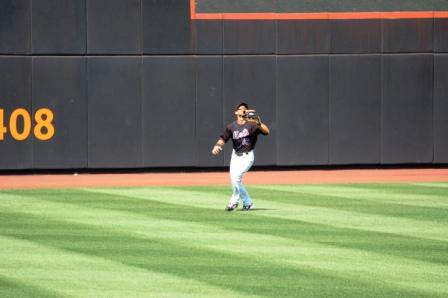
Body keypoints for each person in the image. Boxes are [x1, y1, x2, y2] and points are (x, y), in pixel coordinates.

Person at [212, 102, 270, 211]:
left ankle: (233, 202)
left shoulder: (252, 125)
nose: (243, 110)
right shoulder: (231, 126)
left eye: (245, 109)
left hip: (247, 156)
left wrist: (259, 122)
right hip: (235, 156)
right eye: (240, 109)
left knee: (236, 177)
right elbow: (223, 138)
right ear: (236, 112)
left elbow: (267, 132)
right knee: (235, 180)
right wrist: (217, 146)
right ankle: (248, 203)